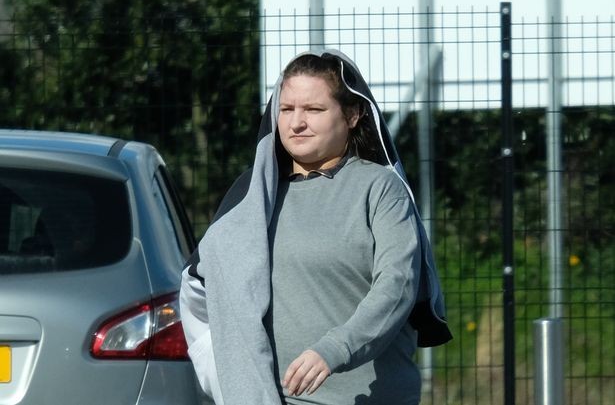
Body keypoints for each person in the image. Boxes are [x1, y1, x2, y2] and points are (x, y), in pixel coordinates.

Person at [180, 49, 452, 405]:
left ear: (352, 115)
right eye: (286, 109)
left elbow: (398, 284)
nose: (296, 123)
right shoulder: (249, 202)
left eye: (313, 109)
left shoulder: (379, 188)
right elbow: (201, 291)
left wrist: (334, 349)